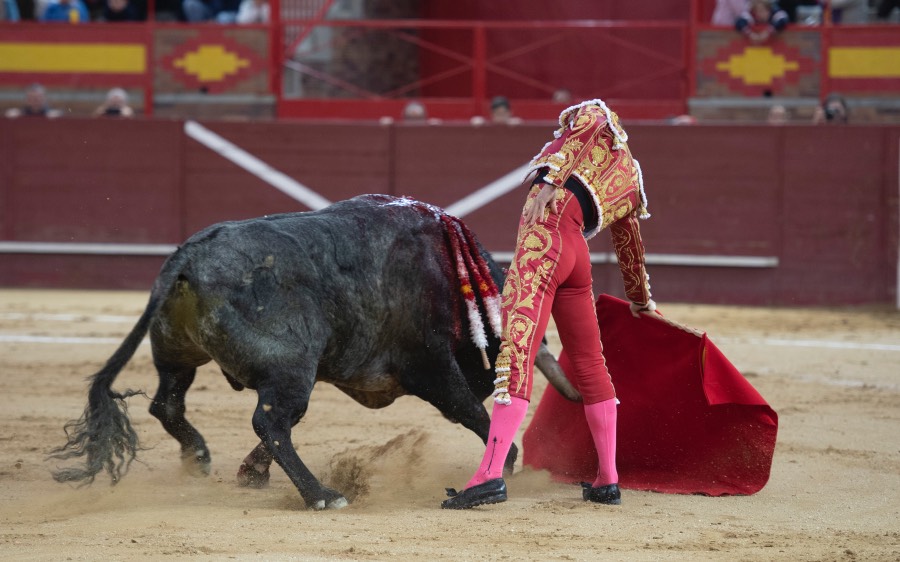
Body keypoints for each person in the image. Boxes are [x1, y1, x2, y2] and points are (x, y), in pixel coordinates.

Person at [441, 99, 655, 509]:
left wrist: (555, 181)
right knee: (593, 366)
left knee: (516, 356)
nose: (562, 132)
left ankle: (489, 475)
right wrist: (640, 299)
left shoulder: (592, 118)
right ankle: (608, 479)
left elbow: (593, 121)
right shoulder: (629, 176)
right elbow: (630, 245)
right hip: (577, 259)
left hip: (544, 243)